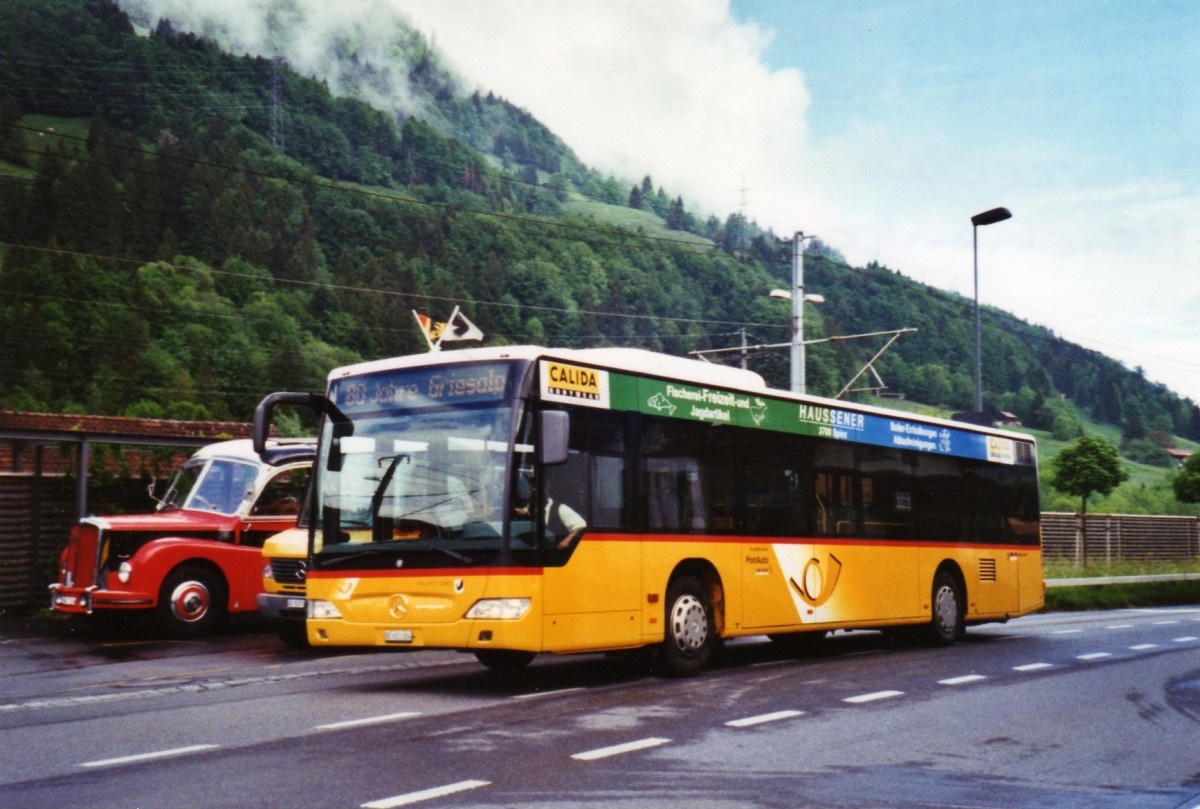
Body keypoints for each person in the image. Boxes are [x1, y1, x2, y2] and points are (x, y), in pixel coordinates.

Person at [513, 471, 587, 549]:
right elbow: (523, 511)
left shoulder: (561, 508)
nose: (529, 493)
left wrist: (565, 542)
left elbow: (581, 526)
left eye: (532, 490)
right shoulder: (531, 508)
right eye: (529, 490)